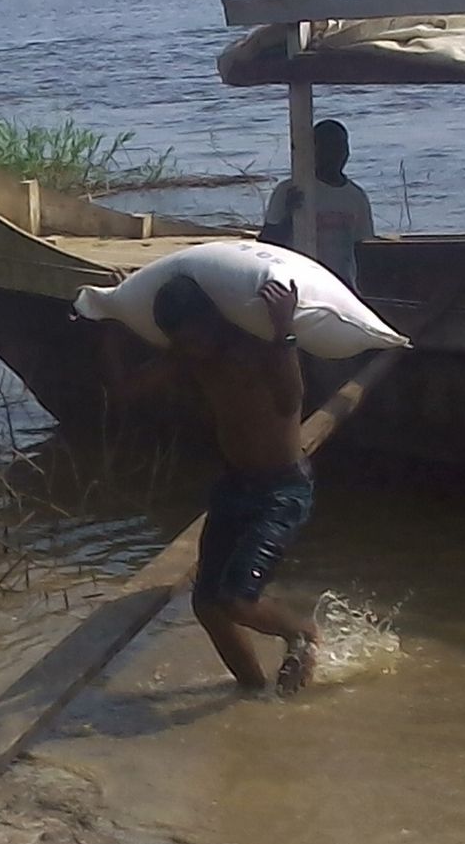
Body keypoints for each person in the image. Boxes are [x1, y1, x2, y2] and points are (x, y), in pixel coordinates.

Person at [138, 274, 319, 696]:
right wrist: (110, 327)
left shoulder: (255, 348)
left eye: (196, 337)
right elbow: (127, 390)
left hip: (281, 491)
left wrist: (284, 330)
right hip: (235, 484)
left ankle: (303, 635)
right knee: (207, 605)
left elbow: (291, 400)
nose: (193, 348)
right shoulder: (189, 359)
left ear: (212, 321)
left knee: (238, 599)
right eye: (183, 342)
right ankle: (252, 690)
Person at [260, 119, 374, 290]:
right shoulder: (291, 190)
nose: (336, 154)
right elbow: (267, 246)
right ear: (314, 151)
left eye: (341, 146)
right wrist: (289, 215)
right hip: (297, 285)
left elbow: (362, 250)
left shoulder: (356, 196)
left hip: (342, 287)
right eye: (328, 147)